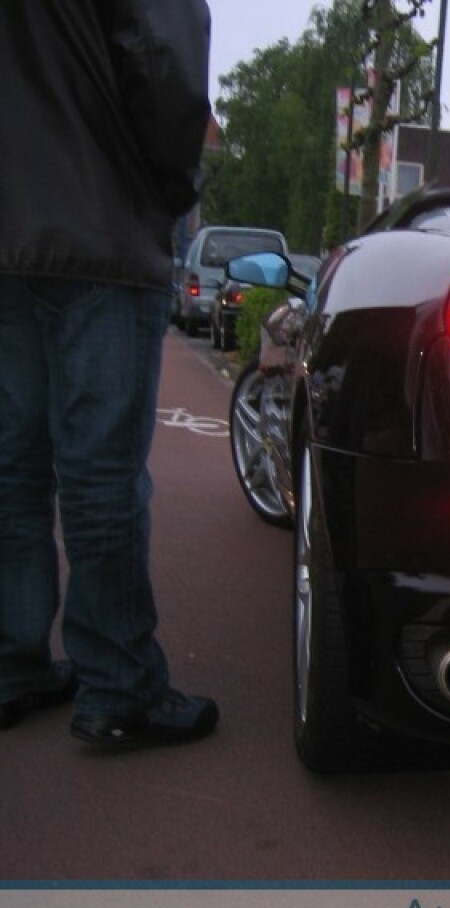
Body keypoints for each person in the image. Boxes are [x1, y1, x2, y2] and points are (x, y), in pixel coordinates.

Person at [0, 0, 219, 746]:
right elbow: (166, 61)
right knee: (100, 472)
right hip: (97, 222)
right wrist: (170, 188)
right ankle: (118, 683)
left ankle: (13, 658)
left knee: (13, 464)